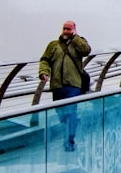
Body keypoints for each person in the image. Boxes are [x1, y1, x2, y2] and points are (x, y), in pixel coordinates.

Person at [38, 20, 91, 150]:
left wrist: (75, 38)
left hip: (73, 85)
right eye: (64, 29)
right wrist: (44, 72)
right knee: (61, 114)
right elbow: (44, 60)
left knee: (71, 111)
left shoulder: (79, 43)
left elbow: (86, 51)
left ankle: (70, 140)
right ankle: (68, 133)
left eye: (69, 29)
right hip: (57, 86)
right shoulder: (53, 45)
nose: (66, 31)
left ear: (74, 30)